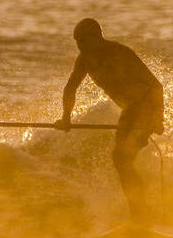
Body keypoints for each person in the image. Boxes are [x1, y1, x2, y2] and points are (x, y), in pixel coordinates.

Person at [55, 18, 164, 223]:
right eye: (77, 42)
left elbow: (156, 87)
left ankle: (141, 213)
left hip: (145, 108)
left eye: (84, 41)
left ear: (98, 37)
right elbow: (71, 88)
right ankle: (140, 213)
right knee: (122, 161)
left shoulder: (121, 53)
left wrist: (159, 118)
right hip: (130, 112)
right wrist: (66, 118)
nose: (80, 47)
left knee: (121, 158)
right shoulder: (85, 59)